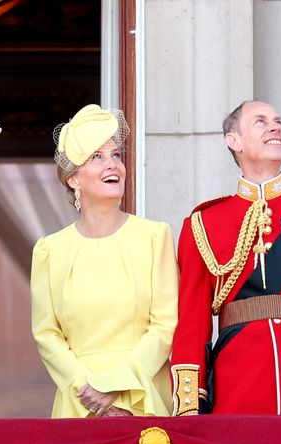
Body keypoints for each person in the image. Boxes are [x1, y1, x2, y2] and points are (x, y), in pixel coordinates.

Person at [170, 100, 281, 415]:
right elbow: (192, 322)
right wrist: (190, 406)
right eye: (261, 121)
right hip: (239, 384)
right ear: (234, 141)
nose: (275, 127)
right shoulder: (204, 223)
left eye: (278, 121)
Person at [30, 106, 178, 418]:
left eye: (116, 155)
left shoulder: (154, 236)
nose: (113, 165)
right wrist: (89, 392)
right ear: (74, 180)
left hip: (143, 395)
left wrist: (116, 386)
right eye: (97, 157)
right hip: (78, 401)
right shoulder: (49, 250)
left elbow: (165, 326)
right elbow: (47, 335)